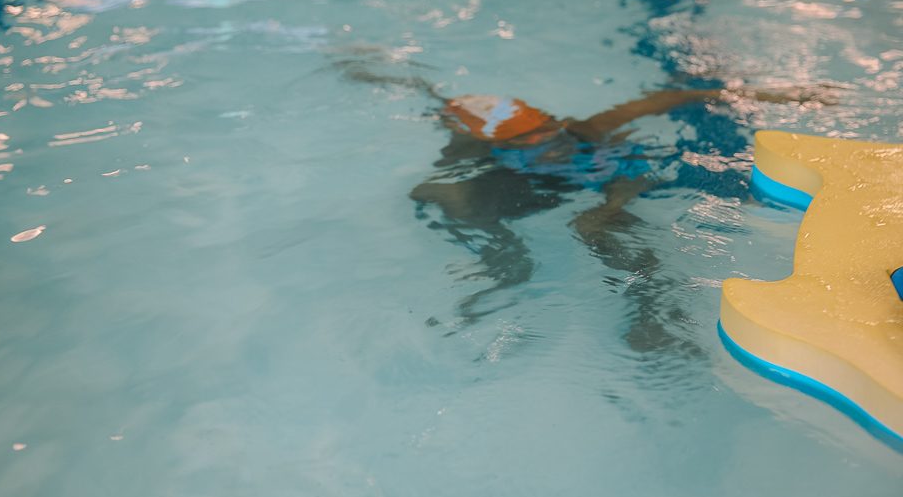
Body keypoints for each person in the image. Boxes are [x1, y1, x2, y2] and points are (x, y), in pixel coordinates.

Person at [337, 57, 835, 352]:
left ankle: (652, 315)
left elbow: (659, 102)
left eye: (547, 129)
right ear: (494, 148)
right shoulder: (475, 154)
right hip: (521, 191)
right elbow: (435, 186)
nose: (548, 142)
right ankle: (500, 281)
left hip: (599, 188)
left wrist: (773, 95)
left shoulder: (586, 132)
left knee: (598, 229)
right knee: (476, 221)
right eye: (529, 140)